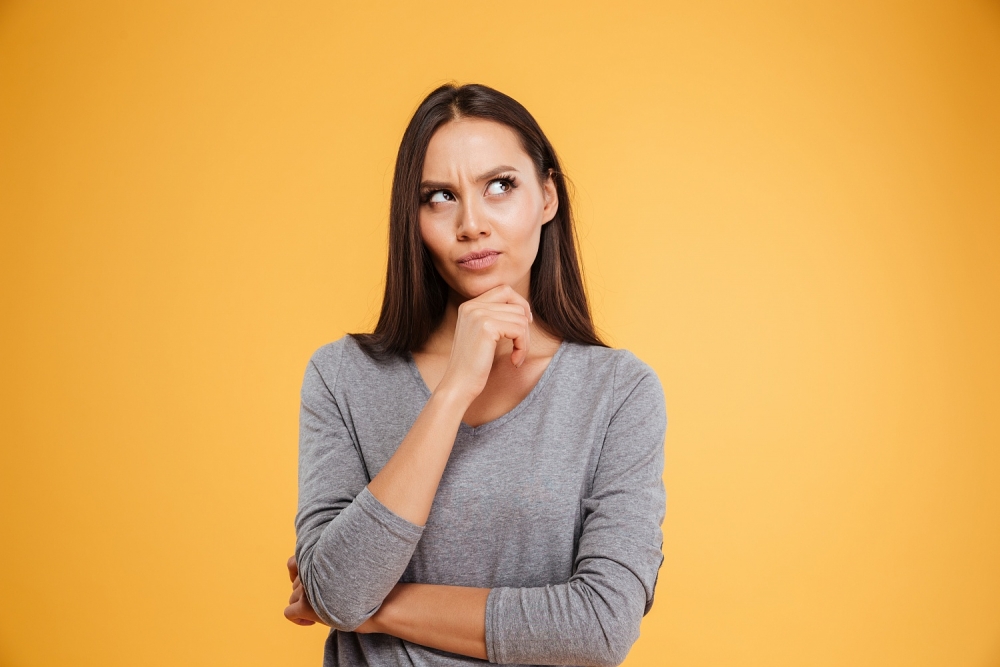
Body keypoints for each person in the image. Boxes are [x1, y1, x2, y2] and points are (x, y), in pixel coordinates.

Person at [282, 82, 667, 667]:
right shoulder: (342, 377)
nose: (471, 224)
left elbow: (598, 628)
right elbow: (337, 591)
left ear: (546, 197)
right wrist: (454, 389)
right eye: (439, 197)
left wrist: (374, 608)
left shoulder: (618, 393)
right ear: (412, 219)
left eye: (500, 186)